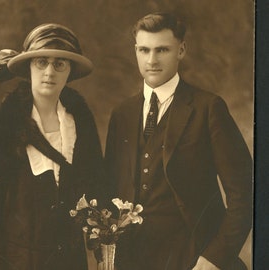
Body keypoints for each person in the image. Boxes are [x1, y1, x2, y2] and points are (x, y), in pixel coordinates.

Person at [105, 13, 252, 270]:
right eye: (144, 50)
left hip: (194, 258)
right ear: (136, 51)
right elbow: (109, 187)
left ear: (181, 50)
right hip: (132, 259)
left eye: (162, 50)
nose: (152, 60)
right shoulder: (122, 113)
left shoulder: (208, 108)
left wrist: (214, 258)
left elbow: (247, 193)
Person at [0, 23, 105, 270]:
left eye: (59, 64)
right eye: (41, 62)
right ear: (29, 68)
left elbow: (96, 193)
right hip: (20, 263)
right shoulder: (2, 125)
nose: (49, 72)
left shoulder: (81, 124)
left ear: (70, 71)